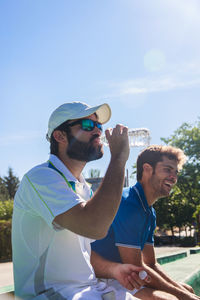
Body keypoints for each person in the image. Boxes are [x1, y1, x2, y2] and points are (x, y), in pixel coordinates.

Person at [12, 101, 145, 300]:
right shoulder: (41, 178)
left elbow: (83, 253)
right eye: (88, 125)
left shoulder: (83, 187)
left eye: (98, 126)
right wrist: (118, 158)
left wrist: (114, 269)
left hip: (87, 289)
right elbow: (95, 227)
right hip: (48, 294)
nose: (98, 132)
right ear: (60, 136)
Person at [92, 145, 200, 300]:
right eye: (167, 169)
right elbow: (138, 269)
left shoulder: (149, 211)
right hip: (103, 277)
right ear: (148, 169)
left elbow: (151, 263)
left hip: (126, 276)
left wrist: (185, 293)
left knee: (186, 289)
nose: (174, 177)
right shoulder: (129, 203)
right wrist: (184, 296)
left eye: (176, 172)